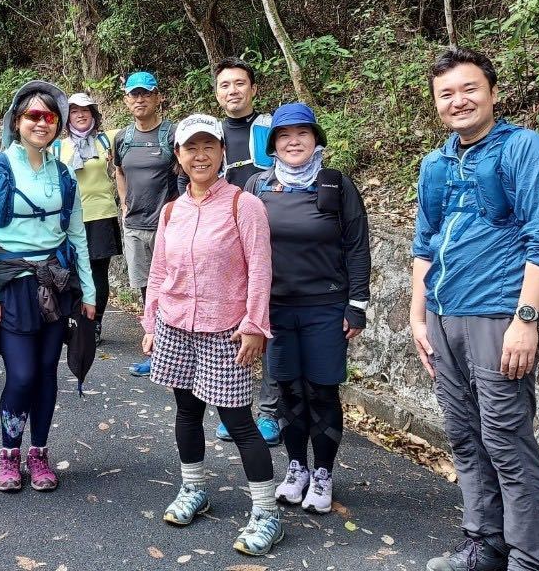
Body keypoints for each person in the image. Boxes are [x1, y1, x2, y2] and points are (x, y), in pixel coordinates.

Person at [410, 48, 539, 571]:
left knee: (506, 438)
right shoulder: (435, 164)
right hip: (443, 316)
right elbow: (425, 242)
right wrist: (417, 316)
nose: (458, 101)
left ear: (493, 92)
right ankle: (484, 542)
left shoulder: (525, 150)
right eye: (446, 94)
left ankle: (529, 558)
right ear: (436, 103)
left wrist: (526, 321)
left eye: (469, 89)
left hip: (498, 315)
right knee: (464, 435)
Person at [143, 113, 283, 556]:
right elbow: (159, 271)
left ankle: (267, 513)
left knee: (238, 421)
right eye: (191, 148)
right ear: (178, 156)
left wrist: (255, 324)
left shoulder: (245, 205)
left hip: (226, 330)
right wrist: (150, 322)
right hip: (175, 325)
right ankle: (193, 489)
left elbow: (260, 269)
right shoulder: (172, 210)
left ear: (223, 152)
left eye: (209, 146)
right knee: (186, 412)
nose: (200, 155)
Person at [243, 103, 370, 515]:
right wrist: (248, 310)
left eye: (302, 133)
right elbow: (243, 249)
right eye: (284, 135)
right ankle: (296, 467)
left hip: (325, 308)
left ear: (316, 140)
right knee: (288, 390)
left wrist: (356, 305)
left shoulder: (336, 185)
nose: (293, 141)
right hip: (276, 309)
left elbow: (357, 245)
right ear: (273, 145)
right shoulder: (258, 186)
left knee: (322, 390)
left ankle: (324, 473)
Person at [0, 81, 96, 493]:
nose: (42, 123)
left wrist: (89, 291)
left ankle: (38, 453)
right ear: (17, 121)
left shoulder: (63, 172)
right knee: (22, 375)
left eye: (49, 116)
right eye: (33, 116)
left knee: (45, 374)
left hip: (55, 285)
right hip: (13, 287)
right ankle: (9, 453)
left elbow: (76, 235)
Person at [211, 57, 281, 445]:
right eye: (225, 85)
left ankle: (270, 412)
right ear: (217, 93)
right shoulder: (209, 134)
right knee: (230, 325)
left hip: (269, 237)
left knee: (265, 323)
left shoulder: (272, 129)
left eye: (239, 83)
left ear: (253, 89)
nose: (232, 91)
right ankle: (235, 409)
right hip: (225, 242)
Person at [111, 71, 177, 377]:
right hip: (135, 226)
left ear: (158, 97)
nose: (140, 100)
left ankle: (173, 352)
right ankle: (157, 352)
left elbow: (186, 172)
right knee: (147, 292)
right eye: (134, 94)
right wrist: (125, 203)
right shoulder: (122, 138)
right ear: (126, 100)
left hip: (168, 227)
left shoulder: (171, 135)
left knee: (172, 289)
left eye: (146, 94)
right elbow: (119, 171)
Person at [53, 92, 121, 342]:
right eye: (74, 111)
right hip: (69, 216)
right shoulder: (57, 146)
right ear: (67, 117)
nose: (80, 115)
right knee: (69, 270)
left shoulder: (107, 140)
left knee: (97, 272)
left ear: (93, 114)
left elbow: (139, 131)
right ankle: (72, 320)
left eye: (85, 110)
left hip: (101, 214)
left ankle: (94, 323)